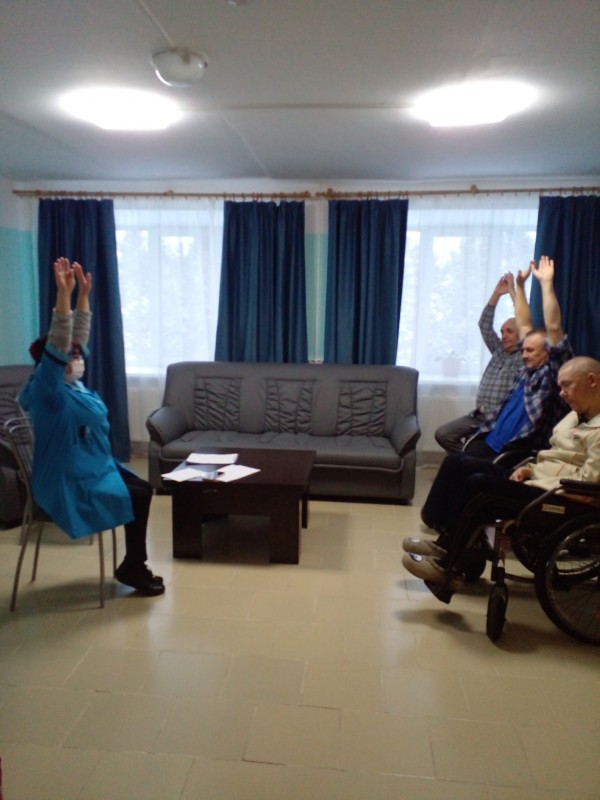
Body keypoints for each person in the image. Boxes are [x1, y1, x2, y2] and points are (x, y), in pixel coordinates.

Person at [19, 257, 164, 597]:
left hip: (89, 467)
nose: (78, 359)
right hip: (66, 480)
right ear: (51, 364)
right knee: (139, 495)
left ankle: (133, 564)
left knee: (143, 489)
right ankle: (134, 566)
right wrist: (63, 295)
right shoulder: (49, 392)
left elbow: (77, 339)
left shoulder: (73, 386)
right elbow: (60, 342)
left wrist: (83, 295)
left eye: (77, 355)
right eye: (70, 357)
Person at [402, 356, 600, 603]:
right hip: (540, 480)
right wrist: (529, 469)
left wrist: (535, 480)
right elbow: (554, 457)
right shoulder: (576, 415)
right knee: (458, 463)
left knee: (480, 486)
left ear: (592, 381)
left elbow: (588, 486)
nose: (561, 394)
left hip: (561, 497)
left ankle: (448, 565)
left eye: (566, 385)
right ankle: (444, 540)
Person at [462, 255, 573, 460]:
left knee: (458, 468)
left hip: (510, 452)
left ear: (548, 351)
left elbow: (554, 327)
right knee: (454, 465)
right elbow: (524, 324)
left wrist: (546, 285)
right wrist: (520, 288)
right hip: (489, 438)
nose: (524, 354)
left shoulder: (552, 374)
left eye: (530, 350)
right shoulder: (525, 371)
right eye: (524, 350)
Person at [435, 273, 521, 453]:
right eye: (502, 332)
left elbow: (525, 322)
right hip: (478, 416)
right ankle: (468, 461)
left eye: (509, 331)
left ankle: (471, 461)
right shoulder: (499, 350)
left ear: (521, 333)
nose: (504, 335)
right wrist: (497, 294)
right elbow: (484, 325)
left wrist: (512, 291)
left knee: (476, 449)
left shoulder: (524, 356)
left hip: (498, 421)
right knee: (443, 434)